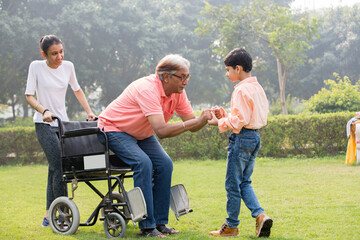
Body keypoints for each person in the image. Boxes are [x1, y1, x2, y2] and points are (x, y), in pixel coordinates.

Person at [97, 54, 212, 238]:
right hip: (114, 129)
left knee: (165, 164)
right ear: (166, 76)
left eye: (187, 77)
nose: (185, 82)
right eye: (182, 77)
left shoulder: (178, 93)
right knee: (143, 163)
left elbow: (192, 122)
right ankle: (147, 226)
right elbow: (162, 131)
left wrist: (209, 118)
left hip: (140, 132)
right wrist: (191, 124)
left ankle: (160, 222)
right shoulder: (147, 89)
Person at [25, 34, 96, 227]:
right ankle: (63, 213)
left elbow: (77, 90)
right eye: (54, 54)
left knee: (54, 169)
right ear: (44, 54)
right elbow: (29, 96)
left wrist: (89, 112)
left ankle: (50, 215)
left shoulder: (69, 66)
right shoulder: (36, 67)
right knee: (60, 166)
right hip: (44, 123)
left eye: (61, 52)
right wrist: (44, 110)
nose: (59, 57)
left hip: (62, 124)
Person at [207, 48, 272, 237]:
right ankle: (260, 216)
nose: (227, 74)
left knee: (232, 184)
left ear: (238, 68)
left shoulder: (241, 89)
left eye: (228, 70)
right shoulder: (257, 88)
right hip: (254, 137)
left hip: (242, 138)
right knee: (244, 182)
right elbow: (244, 118)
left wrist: (218, 121)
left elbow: (238, 121)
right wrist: (226, 116)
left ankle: (232, 226)